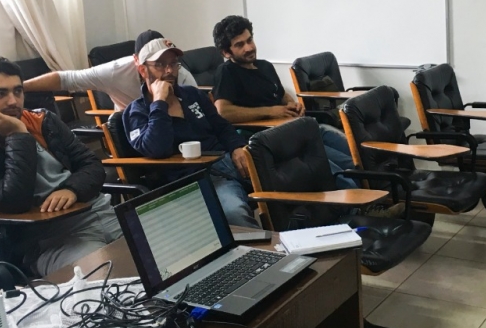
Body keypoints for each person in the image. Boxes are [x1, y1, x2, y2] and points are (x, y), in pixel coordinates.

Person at [0, 56, 122, 276]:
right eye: (0, 94)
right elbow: (12, 200)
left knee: (162, 256)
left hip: (102, 213)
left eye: (18, 91)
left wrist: (72, 189)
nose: (13, 101)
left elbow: (92, 165)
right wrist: (17, 135)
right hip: (50, 240)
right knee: (108, 278)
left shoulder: (42, 120)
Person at [122, 36, 260, 228]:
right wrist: (159, 103)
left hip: (227, 165)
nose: (169, 71)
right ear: (143, 69)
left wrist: (237, 146)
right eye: (160, 65)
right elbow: (156, 148)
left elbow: (222, 126)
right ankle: (256, 256)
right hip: (191, 181)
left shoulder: (191, 94)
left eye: (173, 64)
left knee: (288, 182)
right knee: (234, 213)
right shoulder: (136, 112)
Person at [211, 15, 354, 171]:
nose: (249, 48)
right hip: (271, 137)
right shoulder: (226, 72)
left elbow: (281, 94)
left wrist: (293, 104)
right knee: (342, 166)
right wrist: (271, 112)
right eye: (240, 45)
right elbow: (223, 111)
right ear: (226, 52)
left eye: (249, 40)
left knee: (355, 154)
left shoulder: (264, 66)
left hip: (294, 127)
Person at [22, 29, 199, 110]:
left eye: (169, 62)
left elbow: (196, 110)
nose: (167, 70)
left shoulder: (178, 74)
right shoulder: (116, 70)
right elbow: (67, 78)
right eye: (157, 63)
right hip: (130, 124)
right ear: (136, 60)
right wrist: (20, 88)